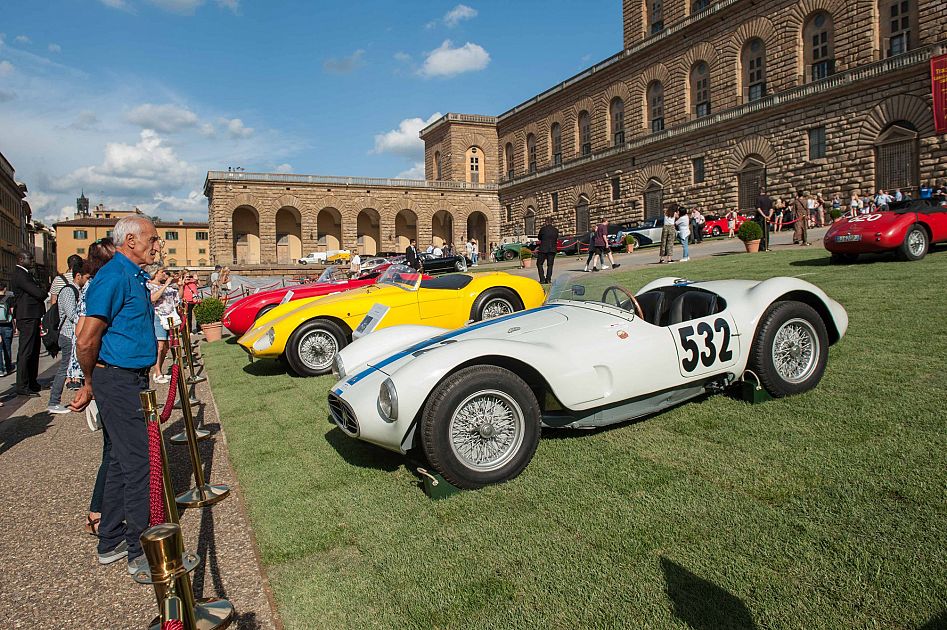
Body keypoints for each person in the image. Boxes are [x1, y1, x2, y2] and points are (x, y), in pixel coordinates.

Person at [71, 215, 161, 574]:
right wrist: (91, 382)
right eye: (152, 239)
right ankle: (139, 549)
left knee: (123, 462)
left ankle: (109, 539)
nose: (157, 245)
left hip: (128, 378)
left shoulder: (132, 276)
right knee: (139, 463)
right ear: (131, 242)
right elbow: (86, 337)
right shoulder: (113, 276)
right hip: (118, 380)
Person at [66, 238, 117, 537]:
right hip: (104, 374)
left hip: (100, 373)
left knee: (113, 448)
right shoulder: (99, 287)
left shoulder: (95, 286)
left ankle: (102, 510)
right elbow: (84, 338)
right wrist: (88, 382)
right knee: (113, 449)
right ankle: (98, 513)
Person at [46, 258, 85, 414]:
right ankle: (54, 401)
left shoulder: (77, 290)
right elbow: (72, 314)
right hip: (68, 335)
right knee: (64, 369)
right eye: (86, 277)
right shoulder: (69, 291)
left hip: (73, 335)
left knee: (70, 368)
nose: (87, 280)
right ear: (77, 276)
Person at [11, 251, 48, 397]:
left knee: (33, 350)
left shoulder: (26, 273)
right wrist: (43, 291)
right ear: (21, 259)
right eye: (29, 258)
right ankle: (23, 385)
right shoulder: (20, 274)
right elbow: (38, 293)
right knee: (26, 351)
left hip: (32, 315)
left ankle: (32, 382)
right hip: (27, 316)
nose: (32, 260)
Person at [148, 267, 180, 384]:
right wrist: (165, 285)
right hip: (159, 318)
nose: (164, 274)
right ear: (155, 273)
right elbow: (152, 299)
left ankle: (159, 370)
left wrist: (179, 285)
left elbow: (177, 300)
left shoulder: (167, 287)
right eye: (162, 272)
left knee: (166, 347)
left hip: (170, 318)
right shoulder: (149, 286)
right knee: (160, 346)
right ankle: (157, 373)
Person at [536, 218, 558, 284]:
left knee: (539, 264)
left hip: (543, 249)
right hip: (552, 249)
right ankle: (548, 279)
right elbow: (556, 237)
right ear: (552, 222)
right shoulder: (555, 230)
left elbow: (539, 237)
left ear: (546, 222)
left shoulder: (543, 229)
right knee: (550, 265)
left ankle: (542, 279)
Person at [0, 283, 13, 376]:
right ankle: (8, 367)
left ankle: (1, 369)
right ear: (4, 289)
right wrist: (15, 327)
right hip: (7, 325)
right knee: (7, 347)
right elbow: (12, 312)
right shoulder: (8, 298)